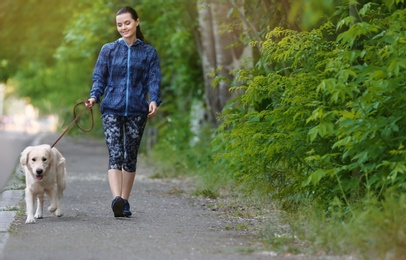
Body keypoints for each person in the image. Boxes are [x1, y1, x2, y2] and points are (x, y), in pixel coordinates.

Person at [86, 6, 162, 218]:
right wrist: (94, 97)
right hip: (111, 107)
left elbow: (153, 79)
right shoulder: (108, 50)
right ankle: (116, 199)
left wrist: (154, 99)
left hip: (138, 110)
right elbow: (99, 78)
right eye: (119, 24)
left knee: (130, 157)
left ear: (137, 22)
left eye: (127, 23)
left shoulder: (148, 52)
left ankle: (124, 201)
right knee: (115, 154)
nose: (123, 27)